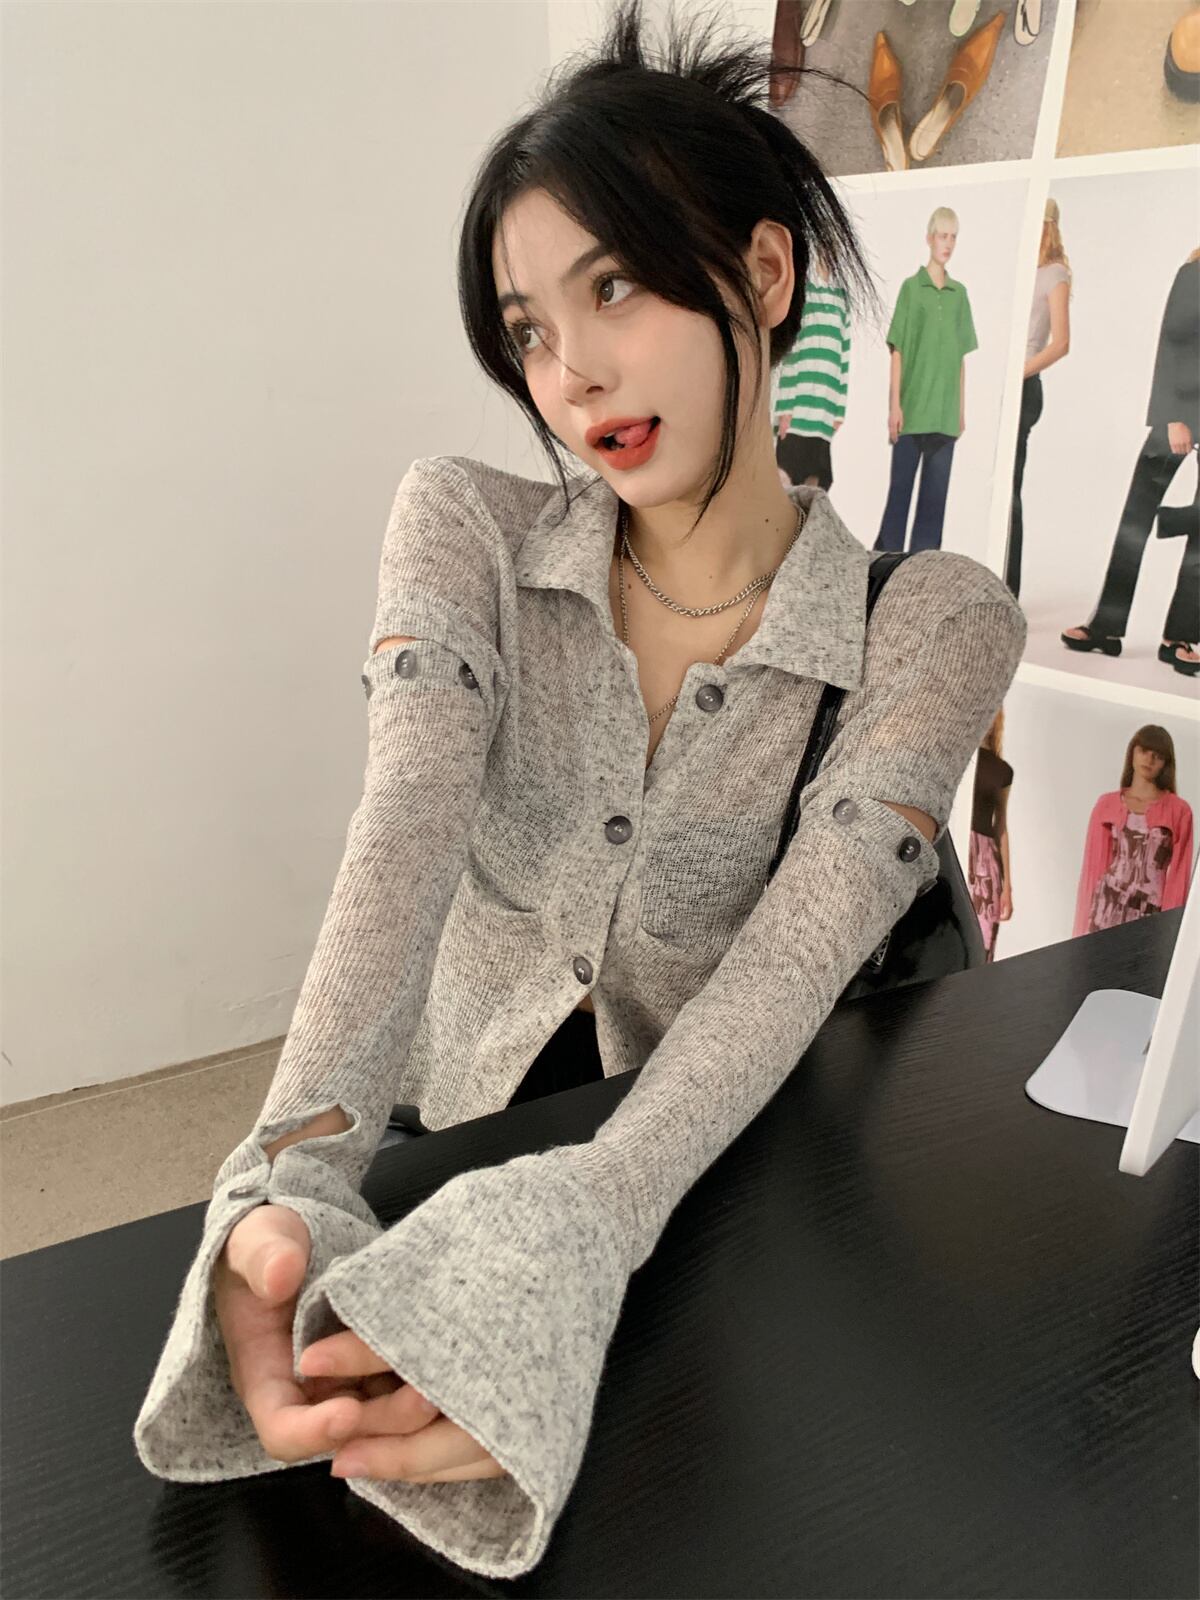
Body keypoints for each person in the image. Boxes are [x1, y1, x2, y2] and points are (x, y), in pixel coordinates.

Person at [132, 0, 1026, 1580]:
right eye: (529, 329)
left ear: (763, 275)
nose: (572, 374)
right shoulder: (467, 530)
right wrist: (292, 1169)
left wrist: (585, 1228)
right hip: (455, 1136)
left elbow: (788, 973)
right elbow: (401, 834)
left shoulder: (933, 625)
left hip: (724, 1200)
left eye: (613, 286)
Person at [1061, 248, 1200, 677]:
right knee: (1137, 518)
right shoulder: (1194, 274)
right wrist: (1171, 416)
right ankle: (1106, 627)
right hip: (1182, 415)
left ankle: (1179, 638)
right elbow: (1172, 340)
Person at [874, 205, 978, 554]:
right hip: (912, 411)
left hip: (944, 416)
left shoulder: (959, 295)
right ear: (929, 239)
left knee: (934, 508)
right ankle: (884, 565)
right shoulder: (911, 288)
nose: (947, 244)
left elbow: (960, 358)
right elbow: (898, 351)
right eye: (942, 236)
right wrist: (894, 406)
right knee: (898, 498)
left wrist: (960, 412)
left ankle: (923, 573)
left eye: (953, 238)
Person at [1005, 197, 1071, 599]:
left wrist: (1017, 373)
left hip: (1024, 387)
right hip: (1000, 385)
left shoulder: (1054, 274)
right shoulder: (1019, 267)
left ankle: (1008, 587)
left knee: (1009, 489)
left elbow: (1061, 343)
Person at [1073, 725, 1193, 937]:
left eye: (1158, 755)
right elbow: (1092, 871)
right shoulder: (1106, 804)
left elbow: (1178, 878)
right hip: (1105, 907)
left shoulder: (1179, 811)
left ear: (1166, 763)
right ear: (1133, 752)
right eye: (1144, 751)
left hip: (1149, 916)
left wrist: (1169, 933)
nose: (1149, 759)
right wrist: (1078, 936)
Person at [773, 255, 850, 491]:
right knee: (785, 479)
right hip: (798, 408)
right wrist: (785, 406)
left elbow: (844, 354)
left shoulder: (841, 298)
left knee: (817, 483)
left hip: (824, 410)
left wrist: (839, 408)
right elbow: (791, 352)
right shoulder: (803, 293)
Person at [968, 707, 1014, 961]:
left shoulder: (1002, 770)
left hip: (987, 862)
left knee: (983, 939)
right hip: (959, 851)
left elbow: (1001, 827)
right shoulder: (961, 759)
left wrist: (1007, 887)